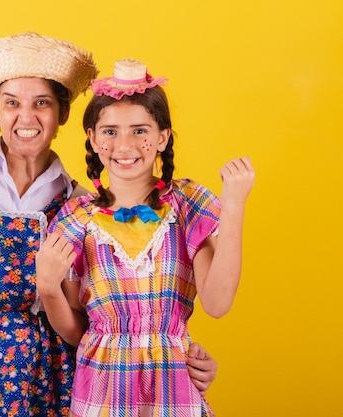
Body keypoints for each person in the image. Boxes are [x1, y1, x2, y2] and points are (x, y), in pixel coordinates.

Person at [0, 32, 218, 417]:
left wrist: (179, 356)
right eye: (11, 103)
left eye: (42, 103)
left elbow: (111, 314)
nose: (26, 117)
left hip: (43, 374)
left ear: (62, 114)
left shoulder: (80, 205)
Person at [36, 58, 255, 416]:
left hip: (173, 388)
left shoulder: (187, 205)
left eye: (140, 130)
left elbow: (217, 304)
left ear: (162, 137)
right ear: (92, 137)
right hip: (101, 392)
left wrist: (233, 207)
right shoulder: (75, 218)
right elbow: (78, 328)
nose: (125, 144)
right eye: (110, 131)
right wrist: (47, 288)